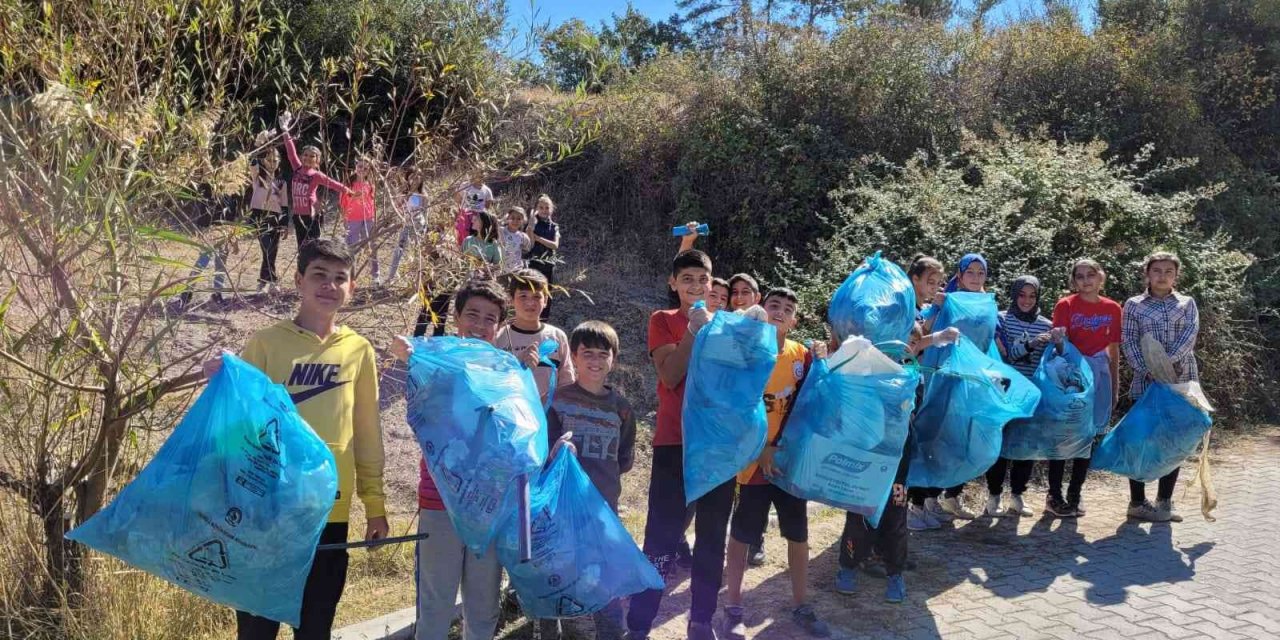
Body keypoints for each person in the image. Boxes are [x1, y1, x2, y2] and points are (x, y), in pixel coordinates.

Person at [202, 239, 389, 639]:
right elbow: (236, 426)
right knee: (256, 628)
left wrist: (375, 504)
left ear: (352, 288)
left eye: (340, 278)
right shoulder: (266, 344)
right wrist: (218, 380)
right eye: (319, 275)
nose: (329, 285)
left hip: (329, 511)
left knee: (315, 626)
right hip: (266, 509)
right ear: (298, 280)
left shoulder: (359, 351)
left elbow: (367, 431)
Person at [390, 279, 509, 640]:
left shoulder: (506, 373)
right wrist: (408, 354)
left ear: (500, 327)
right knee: (435, 604)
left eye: (490, 318)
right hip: (439, 499)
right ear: (456, 318)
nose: (479, 324)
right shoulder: (435, 364)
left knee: (484, 604)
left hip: (489, 504)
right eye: (471, 314)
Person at [628, 249, 731, 640]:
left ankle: (701, 620)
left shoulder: (725, 325)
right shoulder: (663, 321)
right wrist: (692, 331)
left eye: (701, 279)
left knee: (711, 538)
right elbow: (670, 375)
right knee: (661, 536)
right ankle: (639, 622)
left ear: (711, 282)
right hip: (675, 443)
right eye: (686, 278)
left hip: (719, 447)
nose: (694, 286)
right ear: (673, 283)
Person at [722, 288, 830, 640]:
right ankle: (733, 606)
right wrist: (761, 449)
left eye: (788, 308)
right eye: (774, 305)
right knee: (742, 535)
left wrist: (825, 355)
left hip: (791, 465)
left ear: (795, 319)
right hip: (754, 464)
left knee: (798, 535)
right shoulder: (746, 351)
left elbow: (818, 400)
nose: (780, 311)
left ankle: (802, 604)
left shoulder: (802, 356)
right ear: (761, 309)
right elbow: (736, 406)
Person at [836, 322, 960, 604]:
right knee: (859, 515)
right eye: (900, 344)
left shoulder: (915, 378)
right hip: (867, 459)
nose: (904, 351)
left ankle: (895, 573)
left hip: (897, 464)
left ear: (916, 349)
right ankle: (848, 567)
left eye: (912, 345)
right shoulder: (870, 375)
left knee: (895, 518)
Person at [545, 320, 637, 640]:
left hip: (603, 508)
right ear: (574, 355)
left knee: (601, 574)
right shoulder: (558, 401)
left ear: (613, 358)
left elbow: (624, 458)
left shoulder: (622, 408)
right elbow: (546, 452)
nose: (595, 361)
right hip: (565, 507)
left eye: (603, 354)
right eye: (587, 354)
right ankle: (569, 630)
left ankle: (609, 629)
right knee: (568, 572)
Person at [1121, 251, 1200, 523]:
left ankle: (1165, 501)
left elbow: (1190, 335)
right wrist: (1149, 370)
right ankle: (1137, 501)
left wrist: (1168, 365)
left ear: (1176, 275)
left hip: (1181, 379)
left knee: (1175, 440)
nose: (1162, 275)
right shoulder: (1133, 305)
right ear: (1147, 274)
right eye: (1157, 270)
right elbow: (1129, 342)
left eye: (1168, 271)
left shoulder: (1187, 303)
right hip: (1146, 383)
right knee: (1141, 441)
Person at [917, 253, 994, 522]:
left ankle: (950, 497)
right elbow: (921, 332)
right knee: (939, 439)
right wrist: (937, 308)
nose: (975, 277)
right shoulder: (946, 300)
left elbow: (988, 343)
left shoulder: (987, 305)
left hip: (972, 381)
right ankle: (927, 500)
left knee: (964, 440)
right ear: (959, 276)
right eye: (970, 272)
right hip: (944, 378)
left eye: (980, 273)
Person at [1049, 258, 1123, 518]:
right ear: (1073, 281)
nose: (1085, 280)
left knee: (1088, 436)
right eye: (1079, 276)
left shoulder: (1113, 308)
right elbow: (1059, 346)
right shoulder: (1065, 305)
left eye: (1091, 275)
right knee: (1064, 434)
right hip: (1071, 377)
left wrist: (1114, 386)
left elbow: (1113, 351)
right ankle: (1054, 495)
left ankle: (1075, 493)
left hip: (1100, 375)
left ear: (1101, 277)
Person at [986, 275, 1060, 517]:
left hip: (1030, 392)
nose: (1026, 300)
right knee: (1000, 445)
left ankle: (1017, 495)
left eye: (1032, 295)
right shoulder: (1000, 319)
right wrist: (1032, 344)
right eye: (1021, 294)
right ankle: (994, 496)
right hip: (1003, 390)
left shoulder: (1046, 325)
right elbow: (1005, 356)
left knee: (1025, 445)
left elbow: (1050, 361)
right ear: (1014, 294)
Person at [903, 255, 948, 531]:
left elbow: (921, 330)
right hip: (903, 385)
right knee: (905, 448)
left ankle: (911, 508)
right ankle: (904, 511)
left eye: (937, 282)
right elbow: (909, 346)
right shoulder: (905, 307)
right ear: (914, 279)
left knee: (914, 444)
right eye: (929, 281)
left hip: (914, 381)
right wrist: (938, 338)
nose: (934, 287)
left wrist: (933, 315)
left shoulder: (919, 308)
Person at [495, 268, 576, 403]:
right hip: (510, 413)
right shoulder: (499, 336)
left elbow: (566, 382)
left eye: (537, 297)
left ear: (545, 301)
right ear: (511, 300)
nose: (530, 303)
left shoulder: (557, 336)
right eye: (523, 296)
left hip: (548, 416)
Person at [278, 112, 352, 251]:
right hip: (297, 215)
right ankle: (303, 271)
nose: (307, 158)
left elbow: (335, 184)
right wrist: (285, 131)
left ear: (317, 160)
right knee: (301, 247)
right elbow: (291, 152)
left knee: (314, 246)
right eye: (305, 155)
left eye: (312, 156)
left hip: (311, 216)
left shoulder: (317, 175)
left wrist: (351, 192)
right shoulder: (297, 168)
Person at [248, 148, 289, 294]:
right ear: (263, 161)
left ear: (279, 161)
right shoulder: (258, 177)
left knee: (273, 250)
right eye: (269, 160)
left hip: (275, 218)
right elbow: (251, 161)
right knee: (267, 248)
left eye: (275, 160)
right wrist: (259, 146)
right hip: (260, 216)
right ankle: (270, 280)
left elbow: (284, 203)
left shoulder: (281, 182)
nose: (272, 163)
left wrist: (284, 224)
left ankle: (265, 282)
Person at [339, 159, 380, 285]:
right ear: (355, 166)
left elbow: (372, 203)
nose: (362, 170)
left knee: (371, 247)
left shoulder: (370, 184)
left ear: (369, 171)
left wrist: (374, 219)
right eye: (360, 166)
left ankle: (375, 276)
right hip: (353, 220)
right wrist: (344, 219)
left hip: (368, 219)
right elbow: (342, 204)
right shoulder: (348, 184)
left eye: (366, 168)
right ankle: (351, 277)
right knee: (352, 249)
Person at [388, 167, 427, 282]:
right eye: (412, 176)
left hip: (419, 226)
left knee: (417, 252)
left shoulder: (423, 195)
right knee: (398, 250)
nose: (416, 179)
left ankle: (416, 279)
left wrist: (425, 228)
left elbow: (425, 212)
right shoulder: (403, 193)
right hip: (406, 225)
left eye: (418, 176)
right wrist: (406, 195)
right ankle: (391, 277)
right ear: (407, 179)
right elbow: (397, 207)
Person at [527, 194, 561, 321]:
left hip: (548, 264)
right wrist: (532, 217)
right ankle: (531, 317)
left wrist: (539, 239)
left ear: (551, 209)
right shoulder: (533, 224)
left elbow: (555, 245)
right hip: (534, 263)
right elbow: (529, 240)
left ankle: (544, 319)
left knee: (546, 292)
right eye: (541, 207)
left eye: (547, 208)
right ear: (537, 209)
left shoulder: (554, 226)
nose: (544, 210)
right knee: (532, 291)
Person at [454, 172, 494, 246]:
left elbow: (488, 206)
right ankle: (462, 251)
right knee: (462, 234)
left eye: (483, 173)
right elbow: (457, 199)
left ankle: (474, 253)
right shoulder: (465, 185)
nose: (480, 175)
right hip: (465, 215)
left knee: (476, 236)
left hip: (479, 217)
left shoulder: (487, 190)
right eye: (477, 172)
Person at [462, 210, 503, 276]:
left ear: (484, 223)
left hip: (484, 281)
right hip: (467, 280)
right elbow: (461, 261)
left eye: (477, 218)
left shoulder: (494, 244)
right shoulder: (468, 240)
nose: (473, 220)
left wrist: (488, 269)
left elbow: (498, 267)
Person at [499, 206, 534, 275]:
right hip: (501, 270)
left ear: (523, 221)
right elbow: (492, 225)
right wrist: (501, 220)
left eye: (519, 219)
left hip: (516, 270)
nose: (515, 221)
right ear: (508, 218)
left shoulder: (523, 236)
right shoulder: (501, 231)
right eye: (512, 218)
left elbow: (528, 248)